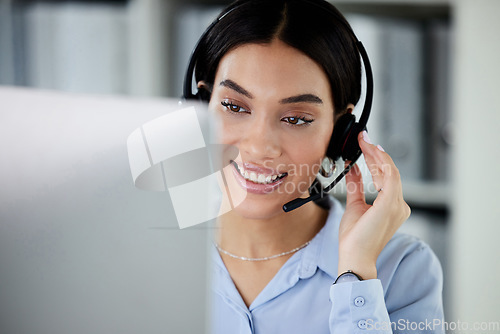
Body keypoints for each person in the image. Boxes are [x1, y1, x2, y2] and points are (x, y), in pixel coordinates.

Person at [188, 0, 444, 332]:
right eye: (234, 107)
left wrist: (356, 274)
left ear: (340, 134)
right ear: (199, 107)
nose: (259, 146)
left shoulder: (402, 269)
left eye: (295, 118)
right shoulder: (148, 252)